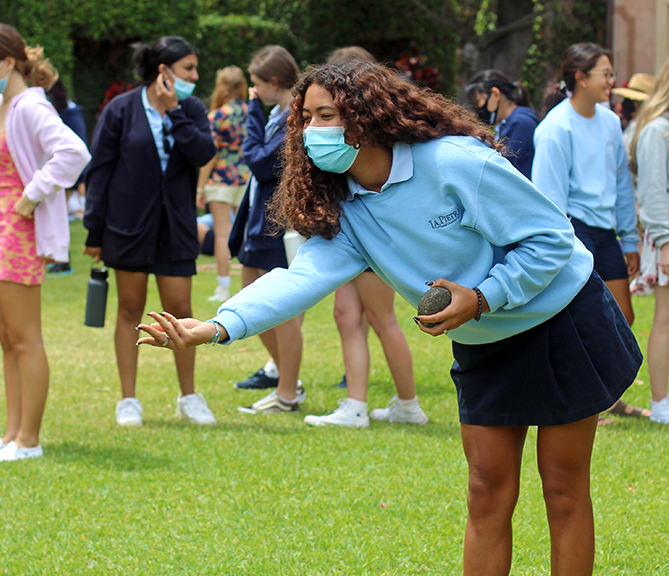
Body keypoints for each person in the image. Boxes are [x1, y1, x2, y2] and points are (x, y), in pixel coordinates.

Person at [136, 60, 641, 576]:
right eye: (305, 119)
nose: (313, 131)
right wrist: (219, 325)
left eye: (327, 115)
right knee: (486, 491)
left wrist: (484, 296)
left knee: (562, 487)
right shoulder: (347, 207)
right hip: (487, 340)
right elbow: (301, 277)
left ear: (366, 116)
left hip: (561, 317)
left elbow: (552, 239)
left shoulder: (454, 161)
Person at [0, 24, 90, 463]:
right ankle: (11, 434)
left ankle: (28, 440)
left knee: (25, 338)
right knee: (6, 339)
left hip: (16, 233)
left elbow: (74, 154)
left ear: (8, 61)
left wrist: (32, 194)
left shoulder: (31, 106)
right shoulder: (1, 102)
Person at [83, 36, 218, 427]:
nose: (195, 75)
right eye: (189, 68)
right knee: (129, 308)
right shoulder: (121, 109)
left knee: (182, 311)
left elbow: (202, 153)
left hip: (175, 226)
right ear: (164, 71)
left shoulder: (190, 107)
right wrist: (94, 230)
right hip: (127, 227)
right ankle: (128, 400)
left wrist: (175, 111)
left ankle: (190, 396)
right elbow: (100, 171)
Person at [302, 46, 424, 428]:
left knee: (381, 316)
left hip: (371, 242)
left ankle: (408, 404)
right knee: (345, 315)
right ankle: (356, 404)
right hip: (349, 234)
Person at [534, 44, 639, 326]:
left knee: (623, 317)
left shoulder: (611, 122)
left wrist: (630, 238)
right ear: (581, 77)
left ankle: (615, 372)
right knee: (586, 320)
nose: (611, 81)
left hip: (607, 233)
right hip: (574, 232)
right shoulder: (554, 128)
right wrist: (559, 245)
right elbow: (550, 198)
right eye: (605, 74)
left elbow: (622, 182)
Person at [228, 46, 306, 414]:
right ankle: (289, 381)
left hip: (280, 224)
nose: (252, 92)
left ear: (274, 83)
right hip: (257, 225)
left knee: (283, 311)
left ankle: (288, 393)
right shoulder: (276, 113)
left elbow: (260, 163)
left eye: (256, 85)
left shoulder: (296, 117)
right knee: (250, 304)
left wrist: (253, 117)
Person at [629, 58, 669, 424]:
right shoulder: (658, 130)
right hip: (667, 233)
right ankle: (661, 404)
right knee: (666, 318)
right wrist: (666, 240)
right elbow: (654, 192)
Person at [196, 66, 251, 302]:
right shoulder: (252, 112)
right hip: (247, 177)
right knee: (249, 234)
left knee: (222, 235)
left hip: (220, 179)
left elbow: (210, 155)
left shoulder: (217, 115)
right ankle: (252, 286)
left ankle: (223, 288)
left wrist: (199, 187)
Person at [45, 78, 89, 274]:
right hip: (58, 172)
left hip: (67, 175)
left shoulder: (71, 114)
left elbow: (80, 148)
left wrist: (80, 180)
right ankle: (57, 258)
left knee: (59, 215)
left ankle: (62, 260)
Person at [466, 69, 537, 180]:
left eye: (478, 101)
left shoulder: (519, 123)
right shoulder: (512, 122)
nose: (478, 109)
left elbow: (499, 169)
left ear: (495, 94)